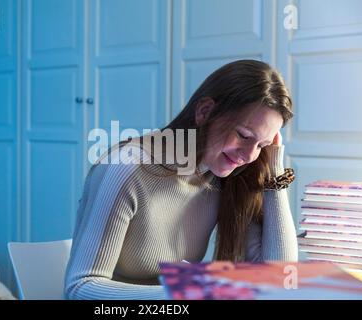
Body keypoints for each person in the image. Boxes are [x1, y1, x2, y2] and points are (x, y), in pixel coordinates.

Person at [65, 59, 298, 300]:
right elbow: (80, 288)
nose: (250, 156)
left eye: (262, 145)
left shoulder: (225, 178)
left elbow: (280, 277)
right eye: (244, 135)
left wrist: (273, 167)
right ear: (205, 112)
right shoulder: (126, 168)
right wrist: (192, 293)